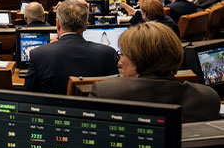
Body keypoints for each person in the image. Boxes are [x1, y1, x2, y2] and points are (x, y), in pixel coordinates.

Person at [90, 22, 220, 123]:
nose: (119, 62)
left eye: (123, 55)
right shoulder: (208, 97)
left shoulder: (105, 93)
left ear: (139, 59)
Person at [24, 0, 118, 94]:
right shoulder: (108, 54)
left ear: (58, 24)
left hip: (54, 104)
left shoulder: (39, 55)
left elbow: (29, 94)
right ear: (86, 25)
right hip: (92, 104)